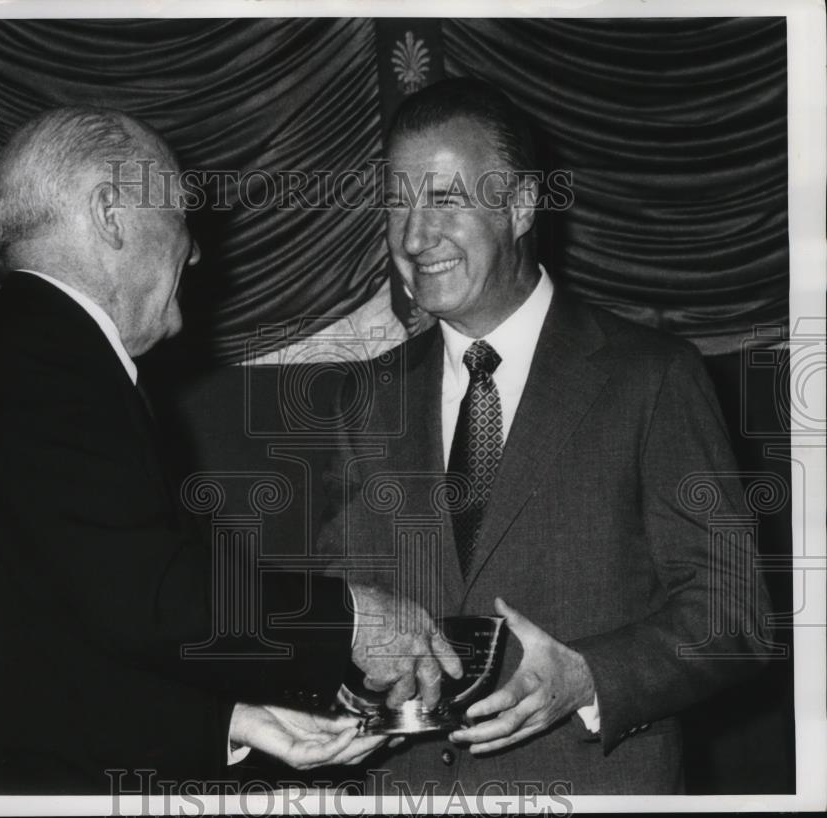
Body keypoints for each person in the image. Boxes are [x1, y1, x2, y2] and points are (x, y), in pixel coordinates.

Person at [0, 106, 462, 794]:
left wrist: (232, 723)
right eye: (178, 213)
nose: (195, 250)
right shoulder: (46, 363)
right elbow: (148, 595)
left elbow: (38, 646)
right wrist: (357, 616)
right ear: (111, 214)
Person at [316, 78, 772, 794]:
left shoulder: (651, 377)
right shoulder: (361, 399)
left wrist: (589, 677)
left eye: (443, 199)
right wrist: (346, 676)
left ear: (521, 205)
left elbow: (734, 615)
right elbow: (337, 600)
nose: (412, 236)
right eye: (397, 202)